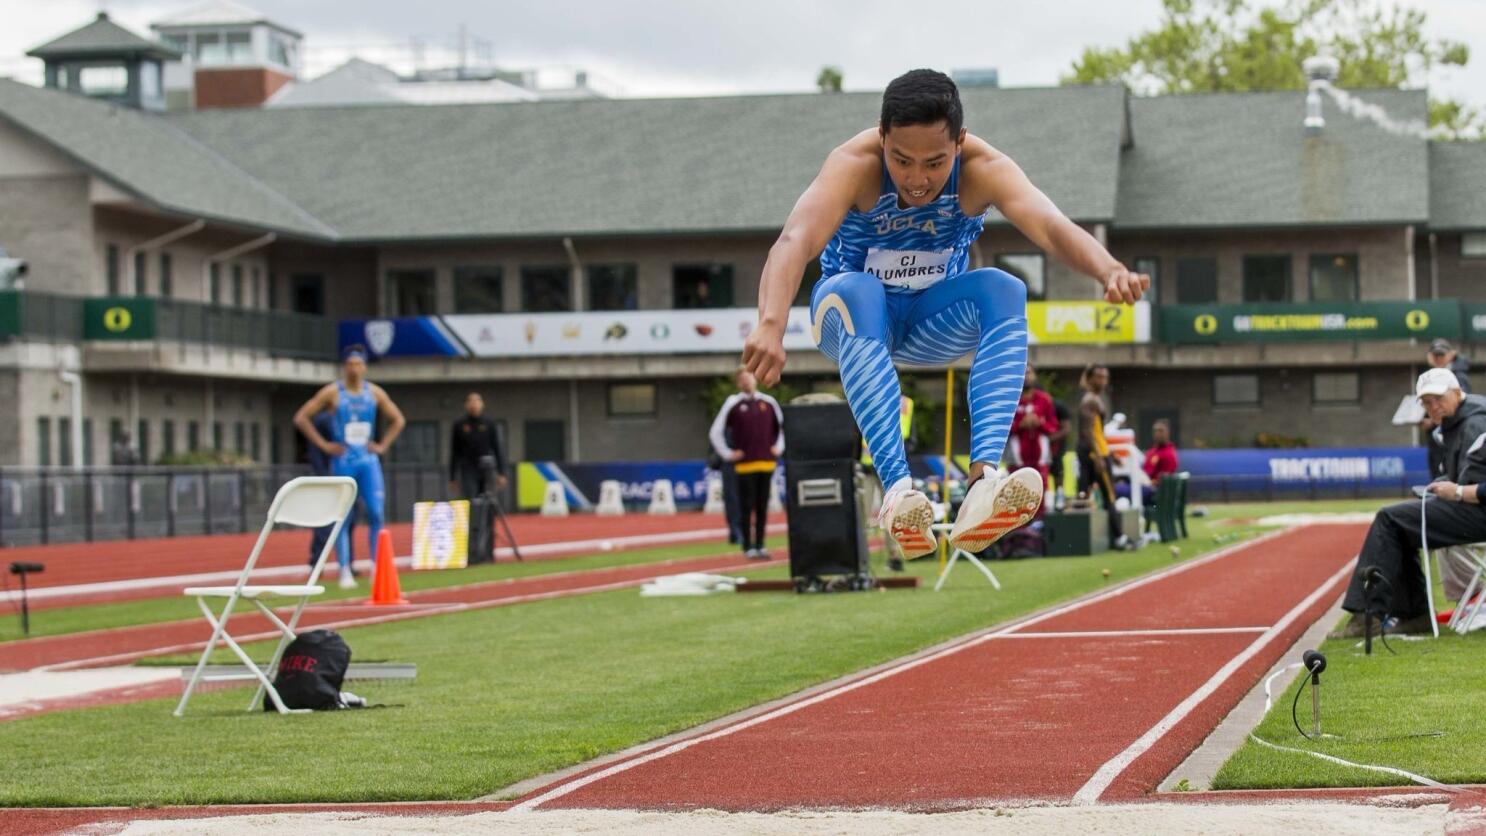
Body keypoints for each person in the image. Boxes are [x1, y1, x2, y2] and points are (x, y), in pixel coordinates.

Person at [740, 69, 1148, 559]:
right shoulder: (853, 164)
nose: (917, 180)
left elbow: (1051, 226)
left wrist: (1107, 269)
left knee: (1004, 288)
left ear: (960, 141)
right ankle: (898, 494)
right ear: (882, 136)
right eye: (901, 160)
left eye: (934, 163)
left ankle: (983, 482)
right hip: (850, 317)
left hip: (930, 320)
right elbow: (794, 240)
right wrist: (770, 324)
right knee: (863, 291)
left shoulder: (984, 168)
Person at [1335, 368, 1486, 637]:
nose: (1433, 407)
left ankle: (1368, 613)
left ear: (1457, 391)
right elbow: (1463, 474)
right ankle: (1413, 614)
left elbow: (1467, 483)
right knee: (1399, 521)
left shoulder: (1476, 423)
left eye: (1438, 399)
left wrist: (1460, 492)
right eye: (1427, 402)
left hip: (1478, 511)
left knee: (1389, 518)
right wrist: (1444, 486)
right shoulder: (1458, 422)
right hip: (1472, 508)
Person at [294, 345, 406, 589]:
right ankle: (345, 569)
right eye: (350, 364)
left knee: (376, 513)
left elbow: (398, 419)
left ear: (364, 367)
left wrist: (383, 445)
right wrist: (324, 445)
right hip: (343, 461)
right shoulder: (333, 392)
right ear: (344, 367)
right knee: (342, 517)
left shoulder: (374, 393)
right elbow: (301, 417)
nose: (354, 368)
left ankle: (378, 565)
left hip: (368, 461)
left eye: (358, 364)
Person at [708, 367, 784, 559]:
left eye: (748, 377)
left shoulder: (768, 402)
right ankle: (747, 545)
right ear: (738, 383)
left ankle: (760, 544)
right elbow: (715, 432)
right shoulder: (733, 403)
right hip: (744, 465)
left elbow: (782, 429)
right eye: (742, 379)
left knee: (762, 506)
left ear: (755, 378)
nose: (746, 382)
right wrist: (727, 453)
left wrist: (778, 448)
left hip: (766, 464)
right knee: (745, 505)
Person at [1077, 364, 1133, 550]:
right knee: (1108, 496)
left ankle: (1095, 540)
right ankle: (1119, 538)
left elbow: (1098, 431)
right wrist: (1099, 456)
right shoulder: (1089, 400)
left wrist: (1111, 452)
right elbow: (1087, 432)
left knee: (1088, 494)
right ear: (1090, 378)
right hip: (1094, 454)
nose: (1103, 381)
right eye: (1099, 376)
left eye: (1105, 377)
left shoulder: (1096, 399)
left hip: (1099, 451)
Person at [305, 409, 355, 571]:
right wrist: (324, 473)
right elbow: (315, 449)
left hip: (348, 476)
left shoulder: (350, 417)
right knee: (325, 521)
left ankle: (348, 562)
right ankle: (316, 563)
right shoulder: (325, 420)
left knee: (350, 518)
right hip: (328, 476)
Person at [1009, 364, 1059, 503]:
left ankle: (1041, 520)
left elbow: (1053, 427)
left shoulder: (1044, 399)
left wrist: (1040, 423)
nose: (1026, 377)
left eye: (1029, 373)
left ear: (1035, 376)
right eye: (1023, 373)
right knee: (1017, 487)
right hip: (1017, 455)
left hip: (1040, 455)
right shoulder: (1011, 399)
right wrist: (1021, 425)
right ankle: (1019, 523)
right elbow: (1004, 429)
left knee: (1040, 485)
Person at [448, 392, 507, 501]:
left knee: (489, 500)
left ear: (482, 404)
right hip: (468, 469)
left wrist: (501, 472)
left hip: (487, 468)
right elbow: (454, 452)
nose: (474, 404)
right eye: (471, 401)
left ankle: (488, 518)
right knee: (471, 499)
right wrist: (452, 477)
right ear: (466, 405)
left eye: (477, 401)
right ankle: (473, 518)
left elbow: (497, 448)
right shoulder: (459, 424)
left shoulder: (489, 423)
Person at [1426, 338, 1472, 478]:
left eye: (1442, 354)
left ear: (1451, 354)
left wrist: (1433, 421)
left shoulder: (1458, 376)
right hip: (1438, 435)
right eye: (1435, 355)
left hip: (1451, 435)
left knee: (1448, 475)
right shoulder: (1430, 376)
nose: (1438, 358)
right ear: (1429, 357)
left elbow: (1459, 407)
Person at [1142, 419, 1179, 486]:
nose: (1157, 434)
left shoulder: (1169, 454)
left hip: (1154, 490)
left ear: (1167, 433)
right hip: (1142, 483)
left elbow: (1166, 480)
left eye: (1161, 431)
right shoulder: (1151, 451)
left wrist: (1150, 482)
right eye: (1155, 431)